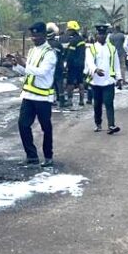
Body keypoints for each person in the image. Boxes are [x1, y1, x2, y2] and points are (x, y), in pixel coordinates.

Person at [10, 22, 58, 167]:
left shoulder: (50, 53)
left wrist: (24, 64)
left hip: (43, 98)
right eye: (32, 36)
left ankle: (48, 156)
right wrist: (16, 65)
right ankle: (31, 156)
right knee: (23, 125)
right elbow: (27, 72)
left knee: (46, 128)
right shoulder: (32, 51)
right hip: (29, 96)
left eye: (37, 35)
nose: (34, 38)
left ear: (44, 35)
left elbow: (42, 72)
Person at [86, 23, 121, 134]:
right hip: (96, 82)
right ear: (96, 35)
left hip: (108, 81)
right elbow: (89, 62)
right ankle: (98, 124)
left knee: (109, 103)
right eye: (100, 34)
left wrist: (119, 78)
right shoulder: (91, 48)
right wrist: (95, 70)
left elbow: (116, 64)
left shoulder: (112, 48)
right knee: (97, 105)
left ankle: (111, 125)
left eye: (103, 34)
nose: (102, 36)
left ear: (106, 35)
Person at [63, 20, 87, 107]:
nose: (68, 32)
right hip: (81, 64)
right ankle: (81, 100)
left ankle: (69, 100)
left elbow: (70, 55)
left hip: (73, 65)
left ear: (72, 30)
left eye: (69, 30)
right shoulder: (81, 39)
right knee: (80, 81)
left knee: (70, 82)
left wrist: (67, 65)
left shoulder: (73, 41)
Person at [46, 22, 66, 108]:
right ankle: (61, 101)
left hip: (48, 68)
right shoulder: (58, 44)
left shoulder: (44, 45)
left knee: (50, 84)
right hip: (58, 67)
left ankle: (51, 100)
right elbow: (62, 55)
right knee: (60, 84)